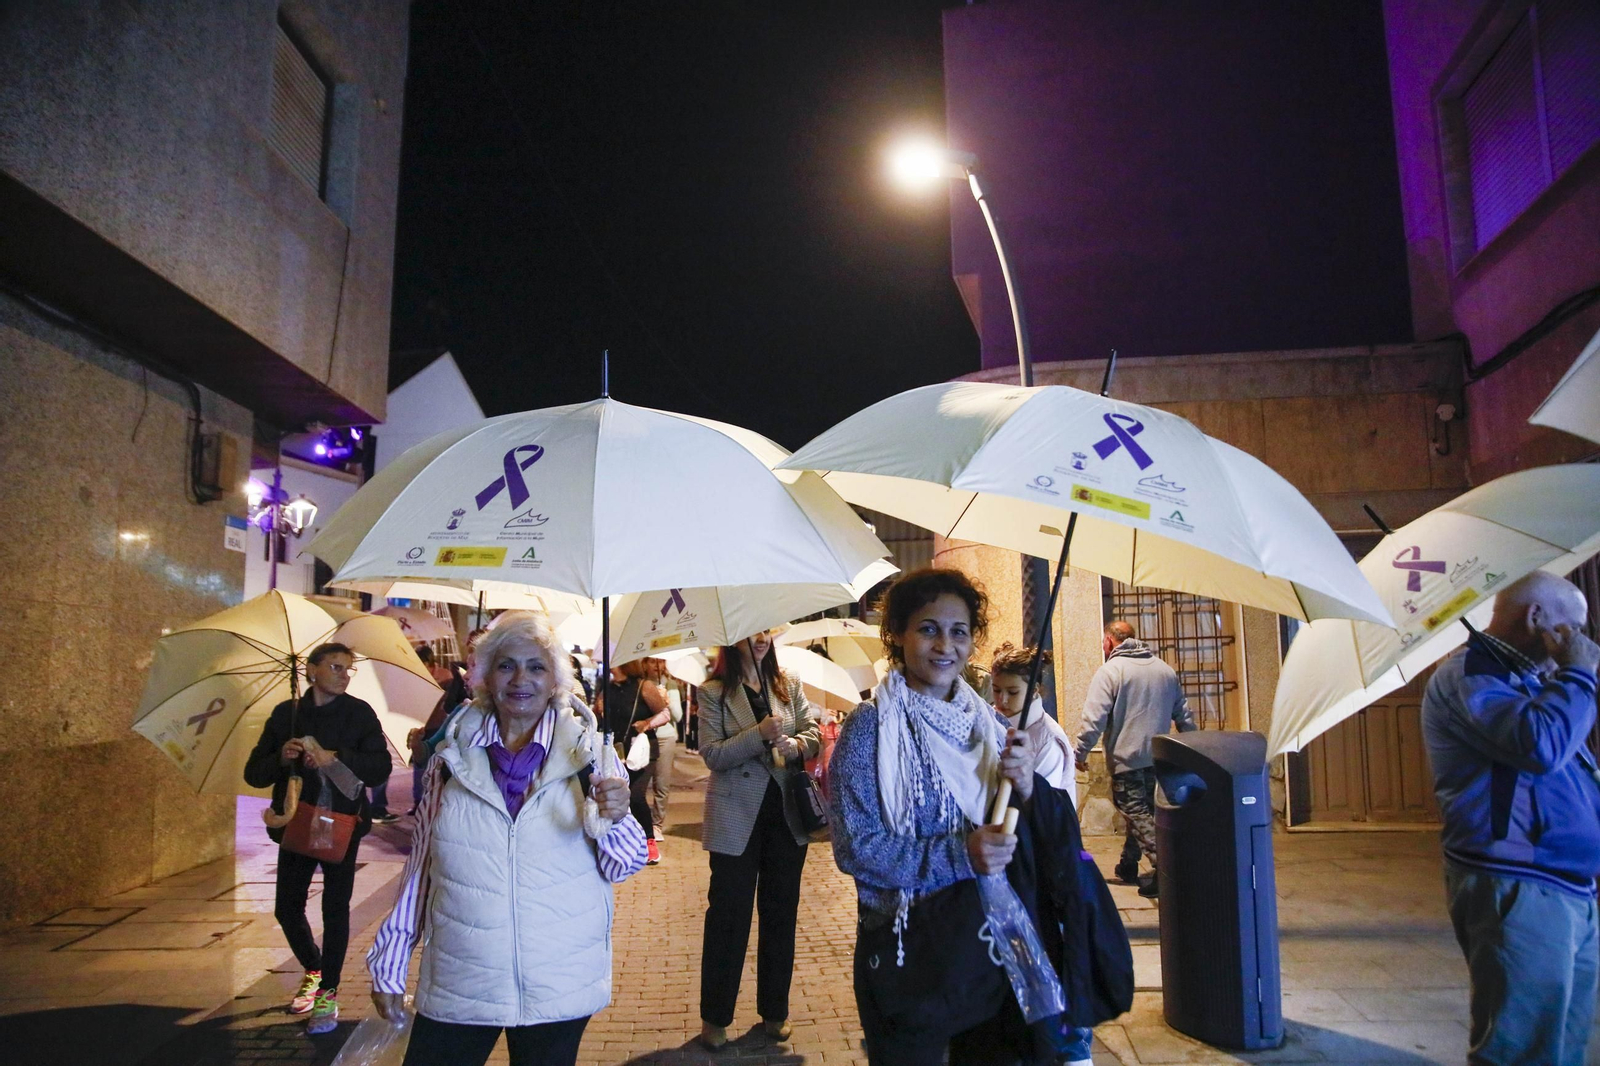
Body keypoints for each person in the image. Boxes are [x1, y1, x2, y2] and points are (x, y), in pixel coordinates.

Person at [366, 611, 648, 1066]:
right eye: (506, 665)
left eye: (536, 667)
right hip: (462, 976)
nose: (522, 679)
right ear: (485, 677)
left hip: (557, 979)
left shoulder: (590, 755)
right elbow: (420, 867)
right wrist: (391, 958)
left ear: (556, 678)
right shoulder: (451, 758)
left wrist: (616, 816)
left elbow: (624, 864)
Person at [830, 568, 1076, 1065]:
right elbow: (855, 848)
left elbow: (1041, 833)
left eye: (959, 631)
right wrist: (960, 854)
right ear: (898, 634)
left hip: (991, 948)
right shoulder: (870, 729)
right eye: (928, 628)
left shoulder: (989, 726)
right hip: (910, 956)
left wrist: (1028, 785)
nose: (945, 644)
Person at [1421, 571, 1600, 1065]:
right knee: (1521, 1048)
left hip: (1565, 885)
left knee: (1561, 1043)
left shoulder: (1527, 677)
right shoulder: (1472, 675)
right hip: (1518, 881)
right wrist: (1579, 676)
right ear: (1537, 617)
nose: (1581, 642)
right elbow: (1540, 746)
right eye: (1574, 627)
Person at [244, 643, 391, 1034]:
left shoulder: (359, 714)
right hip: (297, 823)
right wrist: (282, 755)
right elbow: (254, 773)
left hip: (342, 822)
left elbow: (379, 768)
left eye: (348, 669)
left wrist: (333, 755)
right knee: (287, 907)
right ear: (311, 670)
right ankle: (313, 966)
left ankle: (328, 990)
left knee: (335, 908)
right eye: (336, 667)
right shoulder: (286, 715)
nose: (344, 675)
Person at [696, 630, 821, 1050]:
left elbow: (813, 733)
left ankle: (775, 1010)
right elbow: (712, 754)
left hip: (786, 818)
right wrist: (760, 734)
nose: (761, 638)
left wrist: (794, 742)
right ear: (732, 639)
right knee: (728, 918)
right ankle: (715, 1017)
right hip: (735, 819)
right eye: (752, 632)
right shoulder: (713, 692)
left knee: (780, 914)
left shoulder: (788, 683)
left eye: (767, 630)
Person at [1074, 621, 1196, 897]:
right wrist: (1193, 746)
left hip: (1126, 758)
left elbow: (1094, 720)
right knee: (1141, 811)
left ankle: (1167, 868)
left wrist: (1081, 752)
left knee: (1135, 811)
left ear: (1108, 641)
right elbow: (1184, 715)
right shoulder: (1165, 670)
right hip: (1159, 756)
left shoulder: (1111, 672)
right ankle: (1128, 865)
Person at [599, 659, 671, 866]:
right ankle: (626, 842)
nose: (609, 663)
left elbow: (665, 713)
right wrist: (600, 709)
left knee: (636, 794)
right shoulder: (607, 688)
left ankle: (649, 841)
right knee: (619, 795)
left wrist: (647, 723)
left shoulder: (644, 686)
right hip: (616, 750)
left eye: (613, 660)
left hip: (642, 750)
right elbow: (600, 716)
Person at [990, 643, 1077, 806]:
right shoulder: (989, 719)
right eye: (996, 690)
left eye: (1012, 692)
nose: (1003, 699)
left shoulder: (1048, 740)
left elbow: (1043, 804)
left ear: (1034, 690)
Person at [645, 656, 683, 840]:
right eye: (652, 661)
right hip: (644, 738)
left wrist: (665, 700)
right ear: (644, 663)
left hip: (665, 737)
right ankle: (641, 821)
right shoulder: (641, 684)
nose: (657, 666)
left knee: (661, 784)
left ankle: (656, 824)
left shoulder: (671, 684)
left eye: (660, 662)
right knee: (639, 786)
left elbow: (678, 716)